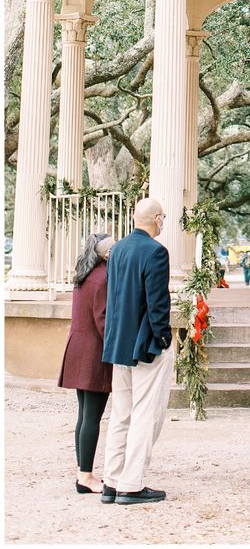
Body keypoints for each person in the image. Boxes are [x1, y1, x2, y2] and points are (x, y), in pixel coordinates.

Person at [100, 197, 173, 505]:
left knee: (121, 415)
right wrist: (164, 338)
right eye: (163, 218)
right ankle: (131, 485)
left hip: (118, 343)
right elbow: (157, 302)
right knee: (146, 413)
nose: (164, 222)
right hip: (145, 345)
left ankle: (111, 481)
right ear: (155, 218)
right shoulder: (156, 252)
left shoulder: (117, 250)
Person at [58, 232, 115, 494]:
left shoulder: (83, 276)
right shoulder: (103, 278)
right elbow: (102, 320)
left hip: (78, 348)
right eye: (114, 249)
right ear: (105, 254)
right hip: (94, 351)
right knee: (92, 416)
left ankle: (83, 470)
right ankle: (86, 476)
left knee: (84, 415)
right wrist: (117, 349)